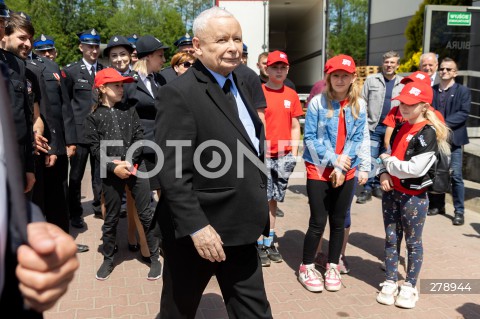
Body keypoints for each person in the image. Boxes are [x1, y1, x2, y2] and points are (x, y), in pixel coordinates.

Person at [154, 7, 272, 318]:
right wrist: (197, 227)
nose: (233, 47)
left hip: (241, 227)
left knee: (254, 312)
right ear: (197, 46)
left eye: (237, 38)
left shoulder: (241, 82)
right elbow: (172, 170)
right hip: (200, 233)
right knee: (177, 311)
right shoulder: (178, 94)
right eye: (221, 40)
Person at [0, 39, 79, 317]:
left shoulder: (17, 67)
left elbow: (47, 111)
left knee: (57, 195)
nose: (26, 42)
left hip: (39, 152)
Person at [375, 81, 449, 308]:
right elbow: (386, 155)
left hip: (414, 197)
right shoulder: (399, 126)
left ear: (424, 106)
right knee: (391, 238)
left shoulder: (428, 133)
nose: (403, 108)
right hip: (391, 193)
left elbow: (415, 169)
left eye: (410, 104)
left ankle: (409, 285)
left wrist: (389, 163)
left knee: (413, 242)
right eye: (402, 103)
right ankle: (390, 280)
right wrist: (384, 173)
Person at [85, 68, 162, 281]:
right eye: (117, 85)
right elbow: (95, 148)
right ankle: (108, 259)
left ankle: (155, 257)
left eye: (122, 85)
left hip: (136, 166)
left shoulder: (129, 110)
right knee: (110, 217)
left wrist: (130, 160)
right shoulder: (93, 117)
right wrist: (113, 167)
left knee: (147, 213)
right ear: (102, 88)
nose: (122, 89)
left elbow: (139, 135)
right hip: (110, 172)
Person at [299, 54, 366, 293]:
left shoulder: (359, 104)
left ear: (352, 77)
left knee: (338, 222)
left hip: (346, 168)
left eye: (344, 75)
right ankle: (306, 266)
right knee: (318, 221)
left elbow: (358, 138)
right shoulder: (317, 102)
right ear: (328, 77)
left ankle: (333, 265)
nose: (340, 80)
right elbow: (310, 138)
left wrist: (341, 166)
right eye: (335, 75)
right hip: (318, 167)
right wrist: (334, 160)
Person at [104, 34, 151, 259]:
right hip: (110, 144)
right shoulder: (101, 77)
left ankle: (137, 241)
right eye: (114, 55)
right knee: (110, 198)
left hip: (133, 142)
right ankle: (110, 245)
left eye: (123, 54)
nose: (119, 59)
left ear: (130, 55)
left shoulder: (138, 77)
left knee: (134, 198)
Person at [257, 50, 303, 267]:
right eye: (274, 67)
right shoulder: (259, 91)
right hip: (263, 155)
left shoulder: (291, 95)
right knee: (261, 200)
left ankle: (269, 240)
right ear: (266, 69)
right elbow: (259, 123)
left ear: (287, 69)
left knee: (274, 200)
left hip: (283, 156)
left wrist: (293, 154)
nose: (278, 70)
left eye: (282, 67)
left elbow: (295, 126)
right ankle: (258, 242)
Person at [62, 28, 105, 227]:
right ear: (81, 47)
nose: (94, 50)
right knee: (76, 175)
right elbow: (66, 105)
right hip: (79, 132)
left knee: (99, 174)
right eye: (90, 46)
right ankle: (75, 213)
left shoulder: (105, 70)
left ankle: (99, 207)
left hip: (100, 132)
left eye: (96, 46)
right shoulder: (71, 71)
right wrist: (68, 135)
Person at [428, 57, 471, 226]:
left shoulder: (463, 91)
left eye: (448, 69)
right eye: (442, 69)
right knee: (435, 172)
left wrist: (442, 124)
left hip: (454, 140)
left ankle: (459, 211)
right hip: (435, 139)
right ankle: (437, 206)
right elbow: (428, 110)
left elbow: (463, 113)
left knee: (456, 176)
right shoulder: (431, 91)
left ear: (455, 72)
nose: (444, 72)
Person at [357, 51, 404, 204]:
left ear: (397, 65)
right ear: (383, 63)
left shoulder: (402, 83)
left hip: (393, 128)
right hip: (373, 126)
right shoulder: (372, 80)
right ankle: (367, 189)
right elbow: (362, 102)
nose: (389, 65)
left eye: (392, 62)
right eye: (387, 62)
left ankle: (378, 185)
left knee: (385, 157)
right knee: (371, 156)